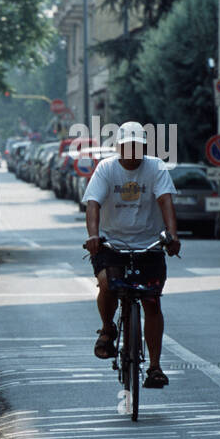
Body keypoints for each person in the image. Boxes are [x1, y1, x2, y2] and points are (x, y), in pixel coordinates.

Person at [81, 121, 181, 388]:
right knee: (106, 284)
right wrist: (93, 236)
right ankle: (107, 328)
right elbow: (93, 204)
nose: (132, 152)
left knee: (151, 302)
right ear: (118, 147)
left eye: (137, 146)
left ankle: (155, 367)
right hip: (112, 244)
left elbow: (165, 201)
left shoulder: (156, 167)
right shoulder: (106, 169)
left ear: (144, 147)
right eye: (127, 146)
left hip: (149, 244)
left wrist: (171, 235)